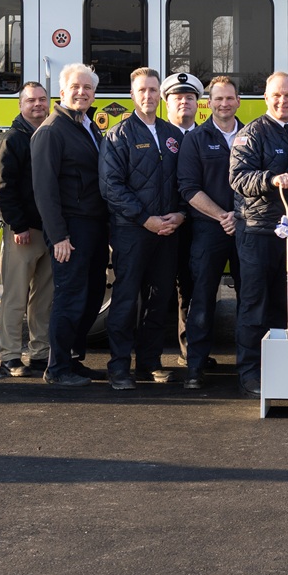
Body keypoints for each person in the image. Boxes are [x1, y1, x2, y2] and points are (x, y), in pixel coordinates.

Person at [99, 67, 188, 391]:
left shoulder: (172, 135)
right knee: (126, 299)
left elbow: (186, 182)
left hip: (168, 231)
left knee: (159, 298)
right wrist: (145, 219)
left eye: (153, 90)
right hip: (132, 231)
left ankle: (150, 362)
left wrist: (179, 215)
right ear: (133, 96)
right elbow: (112, 187)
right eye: (142, 91)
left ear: (160, 96)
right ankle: (119, 366)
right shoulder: (119, 135)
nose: (148, 96)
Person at [229, 72, 288, 396]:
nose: (283, 101)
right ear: (265, 97)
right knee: (254, 306)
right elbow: (238, 177)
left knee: (283, 306)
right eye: (277, 95)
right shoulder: (251, 134)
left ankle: (276, 368)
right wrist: (270, 179)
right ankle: (250, 373)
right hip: (258, 233)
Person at [32, 63, 110, 387]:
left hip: (93, 226)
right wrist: (58, 235)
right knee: (70, 297)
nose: (82, 92)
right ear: (62, 92)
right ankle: (57, 367)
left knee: (91, 296)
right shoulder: (51, 131)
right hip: (71, 230)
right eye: (75, 87)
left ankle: (74, 359)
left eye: (87, 88)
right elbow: (45, 189)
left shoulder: (88, 126)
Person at [177, 74, 244, 390]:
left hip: (247, 230)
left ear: (238, 101)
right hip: (209, 229)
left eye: (229, 98)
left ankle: (250, 364)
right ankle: (195, 367)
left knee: (250, 297)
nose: (224, 103)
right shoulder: (196, 139)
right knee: (202, 298)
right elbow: (189, 188)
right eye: (218, 98)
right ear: (209, 103)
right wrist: (222, 216)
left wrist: (238, 217)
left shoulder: (251, 135)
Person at [146, 71, 205, 380]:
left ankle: (191, 351)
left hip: (200, 227)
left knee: (194, 291)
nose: (184, 102)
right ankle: (150, 358)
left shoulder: (206, 135)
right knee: (159, 291)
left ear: (198, 103)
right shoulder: (160, 136)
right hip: (165, 226)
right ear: (166, 103)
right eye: (178, 97)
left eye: (190, 97)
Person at [0, 82, 52, 378]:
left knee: (43, 298)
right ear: (21, 105)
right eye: (31, 100)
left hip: (50, 230)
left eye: (43, 99)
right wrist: (17, 225)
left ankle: (40, 353)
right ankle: (10, 356)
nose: (38, 105)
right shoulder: (12, 139)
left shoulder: (50, 133)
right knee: (15, 297)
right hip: (24, 231)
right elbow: (4, 188)